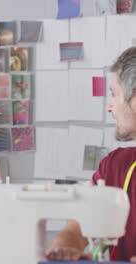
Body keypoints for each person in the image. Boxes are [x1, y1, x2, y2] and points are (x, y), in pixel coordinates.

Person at [47, 46, 136, 262]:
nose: (110, 107)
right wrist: (66, 242)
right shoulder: (116, 165)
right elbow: (80, 225)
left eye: (114, 94)